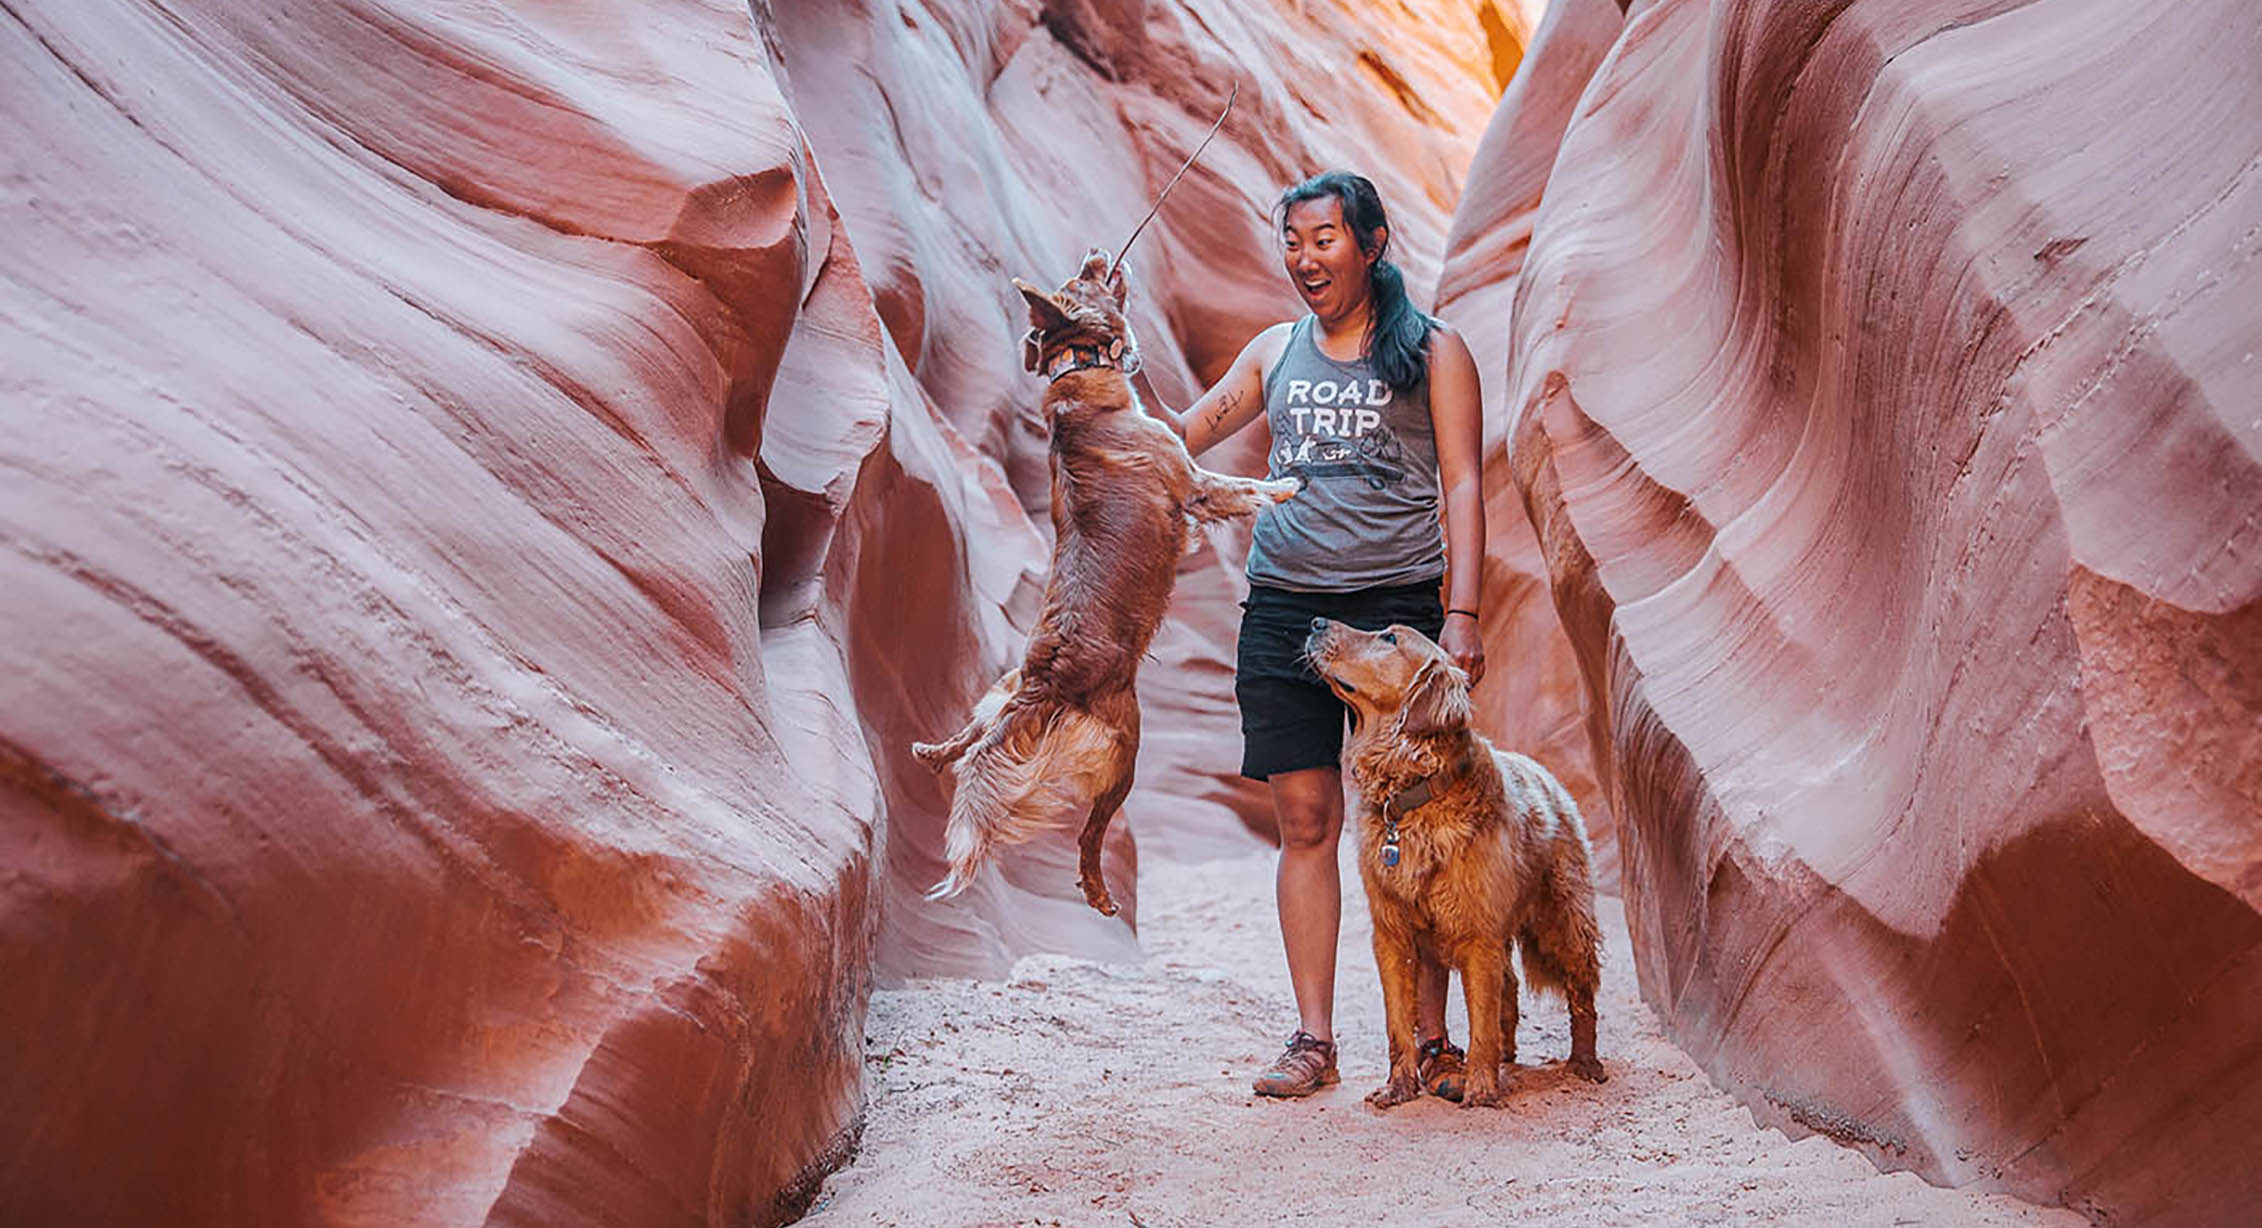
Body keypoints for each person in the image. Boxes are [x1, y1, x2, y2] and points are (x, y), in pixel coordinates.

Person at [1149, 170, 1487, 1099]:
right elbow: (1180, 440)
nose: (1304, 259)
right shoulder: (1274, 351)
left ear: (1373, 245)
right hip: (1288, 612)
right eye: (1292, 241)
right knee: (1307, 821)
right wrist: (1103, 379)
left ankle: (1429, 1040)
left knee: (1411, 824)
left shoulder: (1435, 352)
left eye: (1324, 239)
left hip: (1398, 618)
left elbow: (1462, 482)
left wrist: (1461, 613)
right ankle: (1314, 1038)